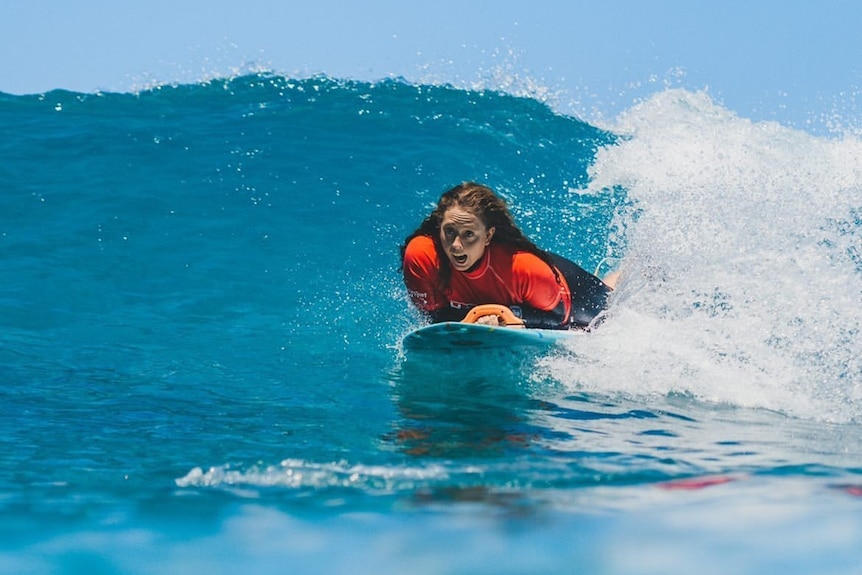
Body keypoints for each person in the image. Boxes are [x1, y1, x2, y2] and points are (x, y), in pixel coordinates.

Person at [401, 182, 617, 330]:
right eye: (449, 231)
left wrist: (504, 317)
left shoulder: (522, 266)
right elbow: (433, 316)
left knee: (611, 306)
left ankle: (632, 269)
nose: (456, 245)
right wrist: (476, 317)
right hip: (522, 297)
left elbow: (559, 318)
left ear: (488, 236)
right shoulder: (422, 256)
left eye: (469, 235)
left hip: (572, 294)